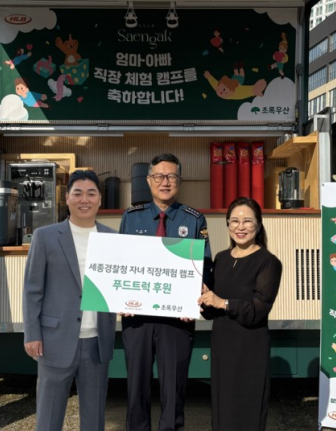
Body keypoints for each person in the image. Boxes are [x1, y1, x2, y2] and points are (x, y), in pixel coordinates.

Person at [119, 153, 213, 431]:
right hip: (137, 317)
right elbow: (121, 263)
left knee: (174, 389)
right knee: (136, 387)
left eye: (171, 176)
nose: (165, 182)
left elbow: (204, 266)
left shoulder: (194, 219)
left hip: (177, 320)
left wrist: (194, 301)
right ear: (149, 181)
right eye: (159, 176)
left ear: (179, 181)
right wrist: (119, 297)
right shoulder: (131, 217)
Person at [23, 169, 117, 431]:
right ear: (67, 198)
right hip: (55, 340)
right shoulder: (45, 236)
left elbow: (119, 286)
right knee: (49, 418)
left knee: (94, 419)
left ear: (100, 199)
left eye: (91, 193)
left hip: (97, 341)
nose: (84, 199)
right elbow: (32, 289)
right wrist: (32, 333)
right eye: (78, 193)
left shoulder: (113, 239)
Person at [198, 197, 282, 431]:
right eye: (234, 221)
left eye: (247, 221)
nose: (240, 227)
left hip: (250, 349)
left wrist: (223, 302)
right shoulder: (221, 259)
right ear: (228, 224)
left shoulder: (268, 262)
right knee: (223, 413)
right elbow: (211, 312)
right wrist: (205, 298)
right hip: (222, 347)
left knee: (247, 412)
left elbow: (258, 308)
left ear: (259, 225)